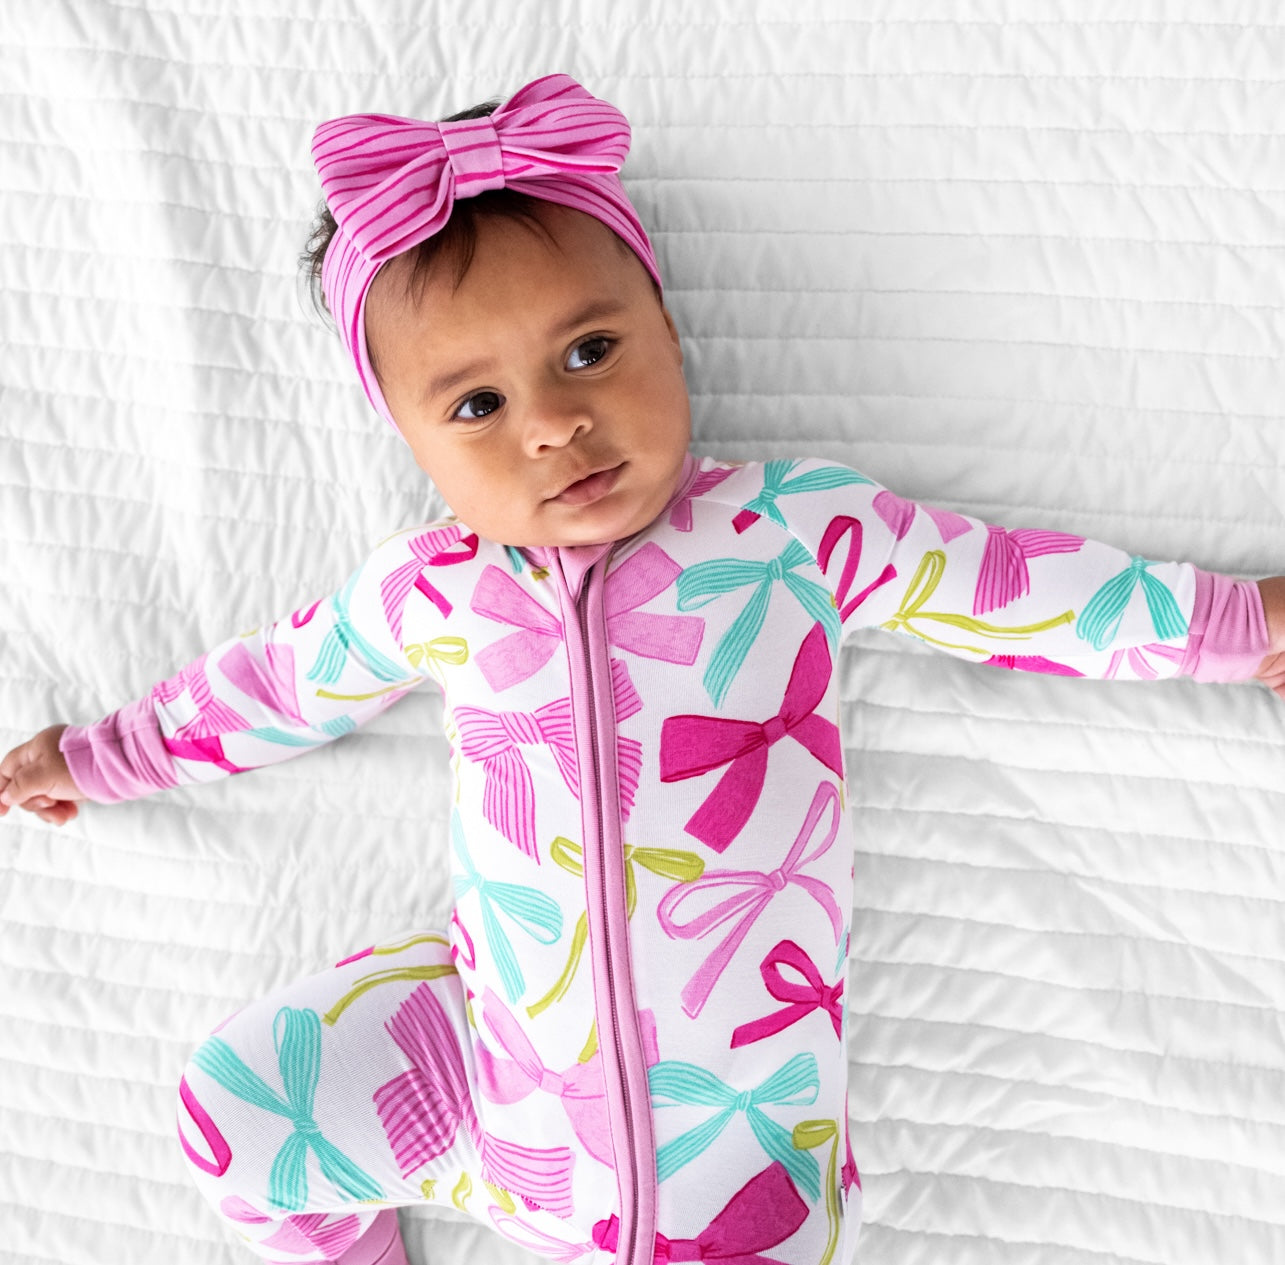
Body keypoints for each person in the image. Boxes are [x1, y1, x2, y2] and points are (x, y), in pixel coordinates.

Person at [2, 73, 1283, 1265]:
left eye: (589, 352)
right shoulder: (428, 587)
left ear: (665, 326)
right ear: (409, 442)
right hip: (489, 1084)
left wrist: (1240, 624)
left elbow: (1015, 588)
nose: (554, 422)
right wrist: (105, 755)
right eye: (476, 406)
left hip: (736, 1156)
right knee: (233, 1107)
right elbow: (274, 683)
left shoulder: (793, 528)